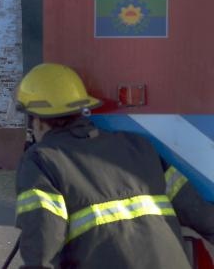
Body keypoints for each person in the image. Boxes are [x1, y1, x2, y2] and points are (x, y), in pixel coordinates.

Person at [13, 63, 214, 268]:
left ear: (36, 121)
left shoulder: (41, 160)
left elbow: (43, 237)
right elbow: (201, 215)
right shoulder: (138, 146)